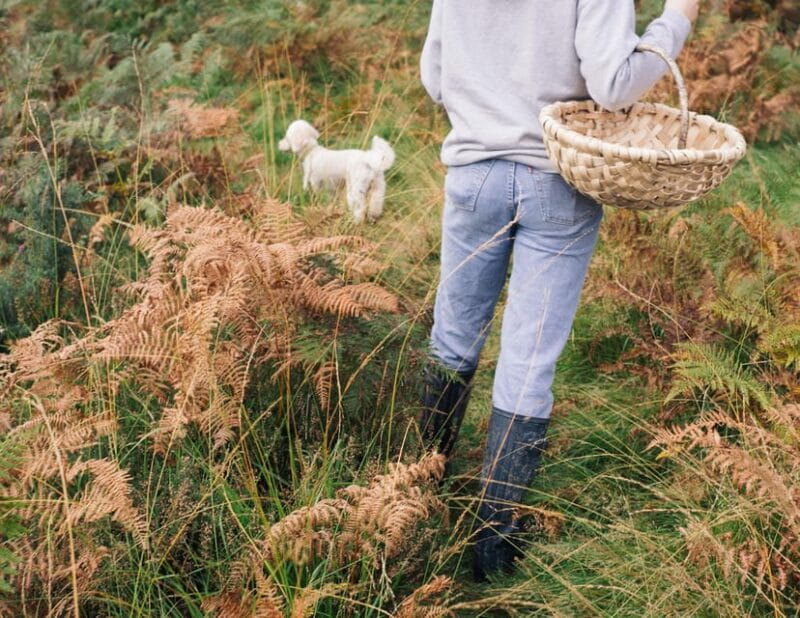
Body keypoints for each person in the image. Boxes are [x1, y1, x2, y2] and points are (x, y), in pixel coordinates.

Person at [417, 0, 699, 581]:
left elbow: (434, 77)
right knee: (528, 361)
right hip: (557, 182)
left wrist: (489, 104)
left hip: (473, 174)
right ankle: (494, 549)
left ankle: (411, 498)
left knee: (453, 336)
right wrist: (677, 19)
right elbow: (614, 85)